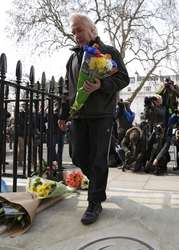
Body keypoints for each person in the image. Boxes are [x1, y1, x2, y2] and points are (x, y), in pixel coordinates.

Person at [58, 14, 129, 225]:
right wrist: (63, 113)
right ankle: (99, 186)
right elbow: (67, 89)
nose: (76, 35)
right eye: (73, 32)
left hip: (102, 115)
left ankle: (94, 202)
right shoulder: (72, 58)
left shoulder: (108, 52)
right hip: (79, 115)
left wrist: (101, 85)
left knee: (99, 159)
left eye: (79, 30)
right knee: (77, 156)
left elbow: (123, 78)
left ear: (92, 31)